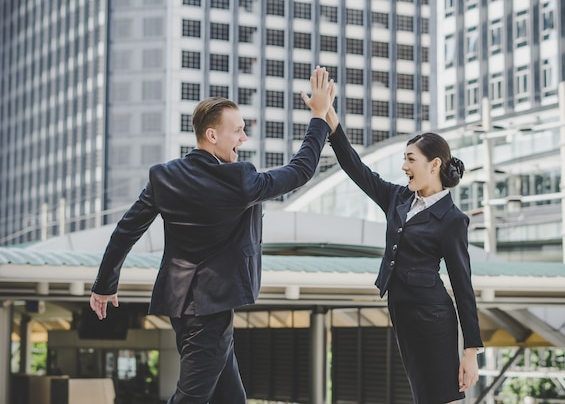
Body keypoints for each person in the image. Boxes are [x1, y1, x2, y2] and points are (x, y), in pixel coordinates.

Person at [90, 67, 336, 404]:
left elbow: (126, 230)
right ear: (212, 135)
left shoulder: (165, 176)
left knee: (230, 398)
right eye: (237, 131)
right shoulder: (239, 180)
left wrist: (105, 284)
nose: (243, 139)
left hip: (181, 304)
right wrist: (319, 116)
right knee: (191, 397)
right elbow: (300, 170)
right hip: (212, 307)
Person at [320, 103, 483, 404]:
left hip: (432, 317)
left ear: (434, 165)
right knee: (422, 395)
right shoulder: (398, 198)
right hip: (404, 312)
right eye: (404, 159)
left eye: (411, 159)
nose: (404, 167)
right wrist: (331, 120)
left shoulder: (452, 219)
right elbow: (358, 170)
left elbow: (463, 286)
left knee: (440, 398)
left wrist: (470, 351)